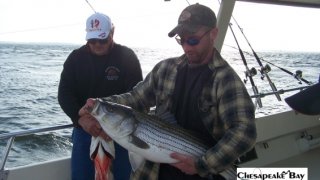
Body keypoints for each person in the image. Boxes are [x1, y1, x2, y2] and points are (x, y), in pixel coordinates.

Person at [80, 3, 256, 180]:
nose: (186, 46)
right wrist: (97, 104)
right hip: (154, 173)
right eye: (181, 39)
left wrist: (201, 164)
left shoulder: (226, 80)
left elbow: (245, 132)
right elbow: (136, 99)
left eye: (193, 39)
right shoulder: (165, 69)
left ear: (213, 34)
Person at [58, 12, 143, 180]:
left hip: (121, 134)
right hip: (85, 130)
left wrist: (111, 128)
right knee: (82, 176)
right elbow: (64, 94)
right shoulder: (75, 58)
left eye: (102, 39)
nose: (97, 44)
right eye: (92, 40)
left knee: (124, 176)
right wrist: (79, 118)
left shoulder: (127, 57)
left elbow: (138, 96)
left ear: (112, 32)